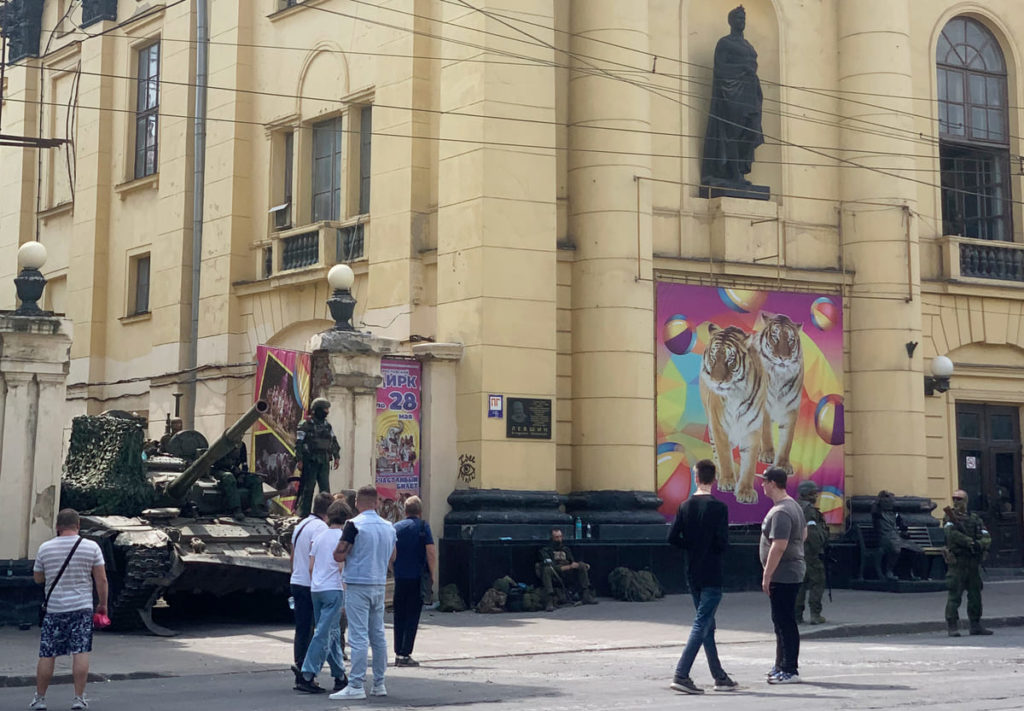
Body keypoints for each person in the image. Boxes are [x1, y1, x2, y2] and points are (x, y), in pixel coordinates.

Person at [667, 459, 738, 695]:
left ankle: (719, 676)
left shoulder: (684, 506)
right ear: (714, 480)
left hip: (692, 572)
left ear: (696, 478)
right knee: (702, 623)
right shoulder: (719, 508)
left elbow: (672, 537)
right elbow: (722, 543)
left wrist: (691, 546)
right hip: (712, 572)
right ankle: (681, 673)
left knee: (707, 624)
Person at [31, 509, 108, 711]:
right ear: (78, 525)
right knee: (80, 651)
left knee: (47, 654)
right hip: (82, 608)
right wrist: (103, 604)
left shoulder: (45, 548)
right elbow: (101, 579)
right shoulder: (92, 547)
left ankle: (40, 699)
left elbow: (38, 578)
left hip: (54, 608)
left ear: (57, 526)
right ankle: (78, 699)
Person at [329, 486, 397, 700]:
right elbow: (393, 556)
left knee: (358, 636)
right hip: (379, 584)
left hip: (357, 583)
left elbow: (339, 555)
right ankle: (379, 683)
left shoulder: (353, 525)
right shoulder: (389, 527)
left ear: (357, 503)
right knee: (378, 635)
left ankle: (356, 684)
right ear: (376, 502)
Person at [701, 5, 764, 188]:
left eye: (743, 18)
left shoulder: (748, 46)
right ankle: (735, 175)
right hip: (731, 93)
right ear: (731, 21)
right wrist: (742, 69)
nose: (742, 21)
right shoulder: (725, 43)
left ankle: (740, 170)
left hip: (750, 94)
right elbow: (720, 68)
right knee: (733, 133)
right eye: (738, 18)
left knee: (751, 131)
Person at [295, 500, 352, 694]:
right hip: (333, 589)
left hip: (316, 589)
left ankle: (339, 675)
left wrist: (316, 583)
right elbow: (341, 567)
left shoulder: (319, 537)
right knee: (324, 633)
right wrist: (344, 593)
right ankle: (307, 673)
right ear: (346, 518)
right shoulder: (343, 539)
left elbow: (311, 566)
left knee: (331, 632)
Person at [758, 467, 806, 684]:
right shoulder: (792, 506)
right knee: (780, 620)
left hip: (784, 574)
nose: (762, 485)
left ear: (772, 484)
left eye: (764, 481)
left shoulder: (781, 511)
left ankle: (789, 669)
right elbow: (803, 534)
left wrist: (767, 575)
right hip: (788, 571)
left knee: (785, 621)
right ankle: (780, 664)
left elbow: (779, 546)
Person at [289, 491, 333, 688]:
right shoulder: (321, 528)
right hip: (310, 584)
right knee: (314, 631)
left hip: (297, 580)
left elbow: (292, 556)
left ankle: (300, 665)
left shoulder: (301, 524)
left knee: (302, 628)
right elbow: (317, 557)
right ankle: (306, 673)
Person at [392, 495, 437, 667]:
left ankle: (398, 652)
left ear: (405, 511)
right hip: (417, 577)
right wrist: (432, 574)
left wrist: (393, 569)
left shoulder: (396, 528)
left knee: (399, 615)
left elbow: (390, 553)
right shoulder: (423, 527)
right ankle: (406, 653)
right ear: (420, 511)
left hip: (400, 577)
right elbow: (430, 551)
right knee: (412, 616)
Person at [943, 489, 993, 637]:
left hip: (973, 562)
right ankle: (952, 625)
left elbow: (986, 535)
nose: (956, 502)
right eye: (954, 499)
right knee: (954, 594)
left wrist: (980, 544)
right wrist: (968, 542)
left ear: (966, 501)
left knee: (975, 595)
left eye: (959, 499)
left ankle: (975, 624)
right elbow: (951, 534)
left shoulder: (975, 519)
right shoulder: (949, 517)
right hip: (958, 561)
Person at [295, 398, 341, 518]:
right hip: (310, 461)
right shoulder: (306, 424)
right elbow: (299, 443)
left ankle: (326, 514)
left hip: (324, 460)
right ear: (318, 410)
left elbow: (333, 441)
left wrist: (336, 456)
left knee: (325, 490)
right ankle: (304, 515)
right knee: (308, 489)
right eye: (325, 409)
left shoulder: (327, 426)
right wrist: (299, 460)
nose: (327, 411)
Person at [537, 529, 597, 611]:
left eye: (560, 537)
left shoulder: (565, 549)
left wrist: (580, 565)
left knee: (582, 565)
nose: (559, 539)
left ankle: (586, 595)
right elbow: (551, 566)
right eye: (556, 537)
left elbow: (571, 561)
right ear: (552, 538)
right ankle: (550, 600)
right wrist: (567, 567)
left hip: (567, 573)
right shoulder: (545, 550)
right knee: (547, 569)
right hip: (555, 573)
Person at [872, 490, 924, 580]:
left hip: (896, 538)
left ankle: (908, 572)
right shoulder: (878, 513)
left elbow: (902, 525)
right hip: (884, 539)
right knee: (895, 549)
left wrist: (904, 531)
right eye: (887, 500)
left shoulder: (895, 514)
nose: (890, 502)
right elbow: (874, 510)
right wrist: (879, 498)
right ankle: (889, 571)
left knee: (916, 549)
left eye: (891, 500)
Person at [795, 480, 828, 625]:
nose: (816, 496)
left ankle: (797, 615)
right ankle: (815, 614)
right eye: (814, 493)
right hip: (810, 553)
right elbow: (812, 533)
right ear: (808, 494)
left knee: (800, 584)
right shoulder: (809, 510)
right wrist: (819, 546)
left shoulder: (794, 507)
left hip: (796, 552)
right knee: (817, 581)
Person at [213, 441, 265, 520]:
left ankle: (257, 509)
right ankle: (236, 509)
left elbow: (244, 463)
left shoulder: (242, 445)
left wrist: (242, 475)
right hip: (220, 471)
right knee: (229, 477)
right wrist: (232, 468)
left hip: (236, 472)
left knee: (256, 480)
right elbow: (216, 463)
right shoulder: (221, 444)